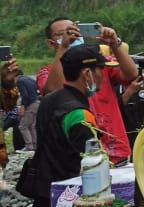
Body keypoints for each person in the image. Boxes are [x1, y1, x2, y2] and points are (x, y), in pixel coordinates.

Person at [37, 20, 138, 164]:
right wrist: (64, 47)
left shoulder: (100, 64)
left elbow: (131, 74)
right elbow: (52, 90)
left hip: (116, 152)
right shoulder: (48, 72)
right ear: (51, 43)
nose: (71, 35)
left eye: (73, 31)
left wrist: (114, 44)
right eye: (63, 34)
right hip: (80, 158)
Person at [23, 44, 107, 207]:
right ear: (87, 73)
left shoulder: (50, 99)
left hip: (44, 192)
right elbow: (92, 165)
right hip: (68, 199)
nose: (103, 76)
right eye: (101, 70)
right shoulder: (79, 114)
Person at [16, 71, 40, 151]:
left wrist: (23, 107)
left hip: (31, 105)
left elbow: (25, 95)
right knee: (32, 126)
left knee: (23, 126)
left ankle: (29, 146)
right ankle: (35, 145)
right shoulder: (30, 79)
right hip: (37, 103)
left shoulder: (20, 81)